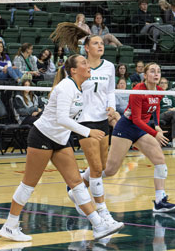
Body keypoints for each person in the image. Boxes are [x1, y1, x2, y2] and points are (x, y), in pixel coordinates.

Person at [0, 54, 124, 242]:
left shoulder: (79, 88)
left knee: (76, 183)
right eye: (84, 63)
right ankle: (10, 225)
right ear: (73, 70)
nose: (88, 65)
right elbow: (61, 119)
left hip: (60, 140)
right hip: (42, 136)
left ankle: (98, 226)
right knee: (28, 184)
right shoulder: (66, 87)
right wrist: (88, 132)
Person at [81, 62, 175, 213]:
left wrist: (158, 125)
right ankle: (82, 181)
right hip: (126, 128)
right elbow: (136, 120)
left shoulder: (159, 91)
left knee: (160, 161)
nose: (156, 74)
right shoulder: (137, 91)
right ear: (145, 76)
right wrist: (155, 133)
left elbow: (156, 107)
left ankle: (160, 201)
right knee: (110, 170)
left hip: (140, 130)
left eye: (158, 71)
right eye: (152, 71)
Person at [51, 24, 123, 225]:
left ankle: (76, 187)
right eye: (96, 43)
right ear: (87, 48)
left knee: (102, 164)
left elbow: (110, 91)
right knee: (97, 168)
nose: (101, 46)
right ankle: (102, 211)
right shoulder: (79, 68)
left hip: (102, 119)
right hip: (84, 120)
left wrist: (111, 108)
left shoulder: (109, 66)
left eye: (102, 43)